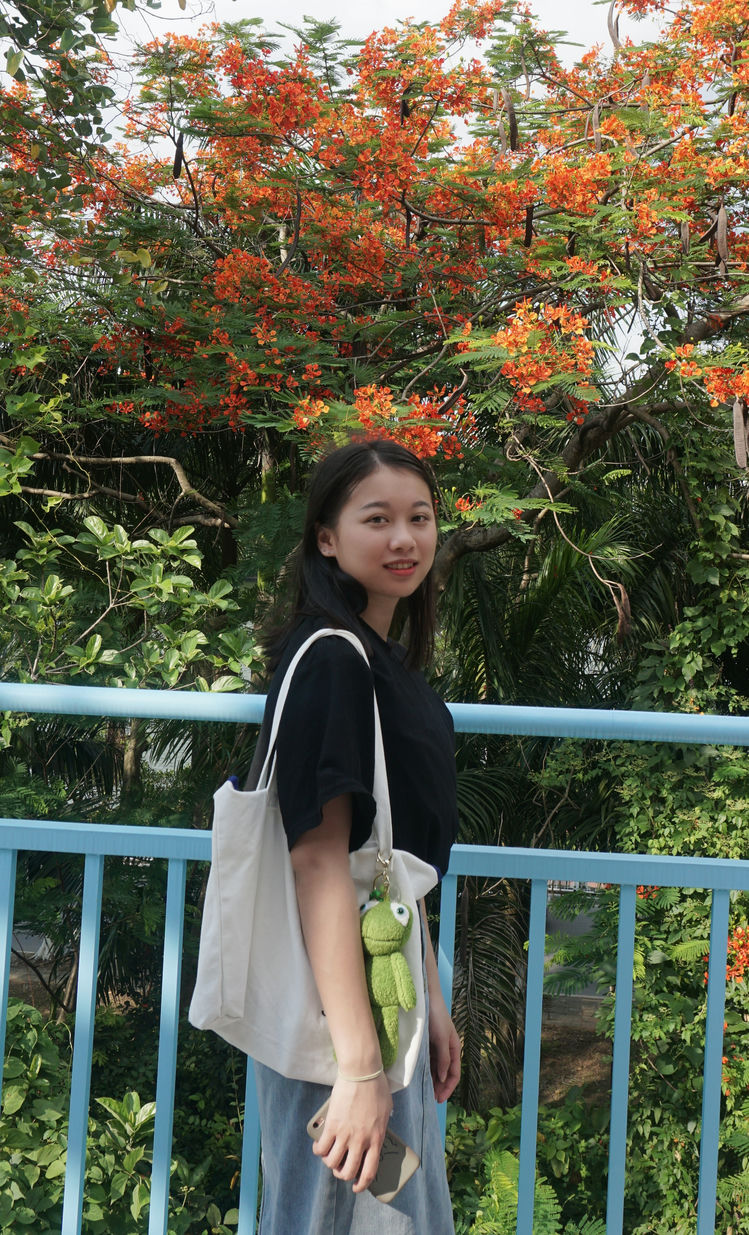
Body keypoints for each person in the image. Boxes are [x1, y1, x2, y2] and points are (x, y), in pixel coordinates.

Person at [249, 438, 461, 1234]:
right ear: (326, 538)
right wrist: (360, 1067)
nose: (404, 538)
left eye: (419, 517)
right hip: (340, 1017)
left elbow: (389, 863)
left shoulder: (382, 662)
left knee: (393, 1212)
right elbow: (317, 860)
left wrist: (430, 998)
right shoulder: (333, 662)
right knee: (339, 1212)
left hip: (383, 996)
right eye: (377, 519)